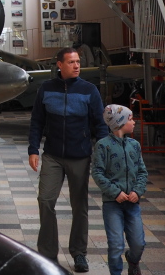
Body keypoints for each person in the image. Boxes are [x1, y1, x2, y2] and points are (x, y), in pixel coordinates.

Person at [28, 47, 108, 272]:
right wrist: (33, 149)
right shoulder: (46, 89)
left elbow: (100, 124)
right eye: (71, 62)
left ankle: (79, 253)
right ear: (59, 64)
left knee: (79, 206)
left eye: (78, 62)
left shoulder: (89, 90)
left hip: (80, 156)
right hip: (52, 156)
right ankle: (47, 254)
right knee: (45, 200)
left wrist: (103, 151)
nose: (77, 66)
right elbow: (36, 121)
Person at [92, 105, 147, 275]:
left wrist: (137, 191)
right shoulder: (103, 146)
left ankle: (133, 260)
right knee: (116, 244)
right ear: (120, 122)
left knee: (138, 243)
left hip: (132, 203)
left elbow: (142, 172)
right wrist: (115, 192)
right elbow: (97, 173)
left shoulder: (134, 145)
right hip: (112, 204)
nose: (134, 122)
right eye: (130, 119)